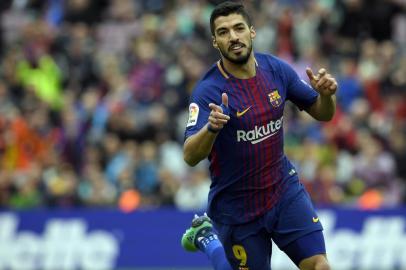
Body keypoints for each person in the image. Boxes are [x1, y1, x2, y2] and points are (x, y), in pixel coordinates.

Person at [181, 2, 337, 270]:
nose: (233, 37)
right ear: (215, 42)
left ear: (252, 32)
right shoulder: (207, 91)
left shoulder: (277, 70)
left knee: (320, 266)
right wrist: (212, 128)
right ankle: (207, 238)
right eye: (223, 32)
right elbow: (190, 155)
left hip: (283, 191)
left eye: (238, 28)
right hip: (237, 208)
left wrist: (326, 95)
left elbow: (323, 114)